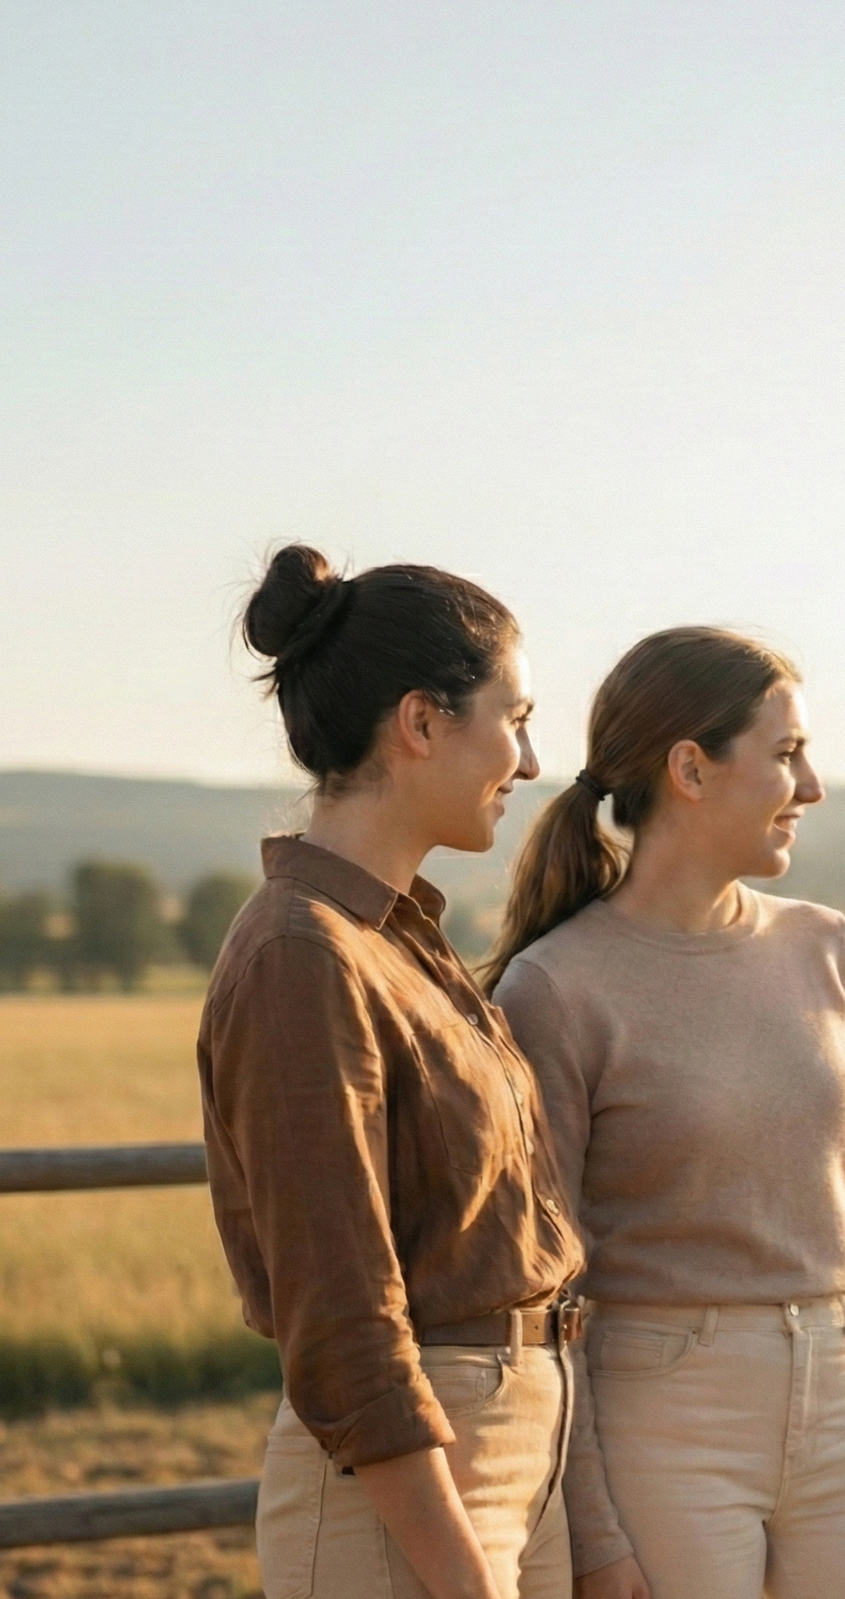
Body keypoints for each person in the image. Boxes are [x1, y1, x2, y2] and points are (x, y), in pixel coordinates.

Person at [487, 627, 845, 1599]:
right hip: (663, 1422)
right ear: (690, 766)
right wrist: (592, 1530)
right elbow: (544, 1293)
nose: (810, 787)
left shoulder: (826, 948)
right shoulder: (553, 990)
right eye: (785, 753)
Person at [197, 545, 585, 1599]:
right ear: (421, 723)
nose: (534, 759)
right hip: (408, 1500)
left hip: (505, 1457)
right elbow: (342, 1311)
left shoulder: (393, 939)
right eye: (514, 717)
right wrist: (463, 1574)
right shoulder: (301, 953)